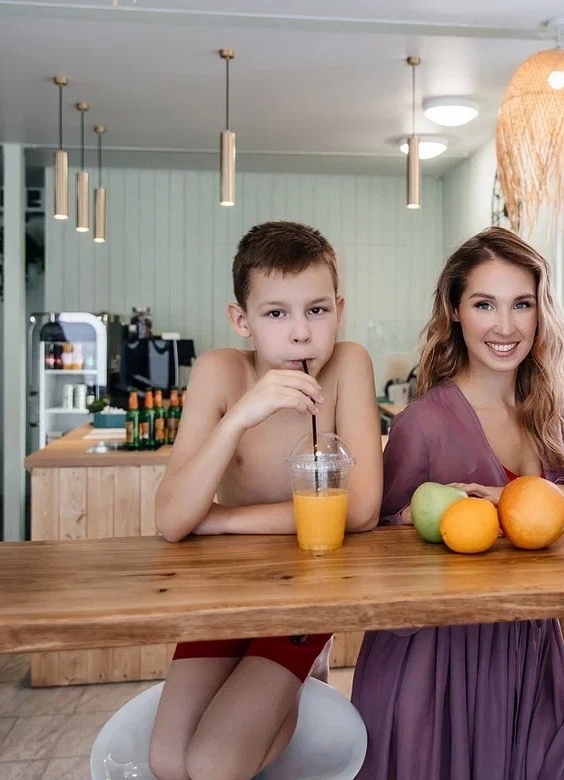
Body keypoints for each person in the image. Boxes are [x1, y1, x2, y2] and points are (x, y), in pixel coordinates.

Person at [350, 227, 564, 779]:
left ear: (541, 313)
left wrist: (534, 495)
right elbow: (372, 544)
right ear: (454, 311)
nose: (505, 326)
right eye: (484, 304)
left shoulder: (556, 412)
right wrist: (421, 521)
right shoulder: (422, 424)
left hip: (533, 657)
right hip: (434, 668)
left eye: (522, 304)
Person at [147, 221, 383, 780]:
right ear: (242, 320)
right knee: (166, 760)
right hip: (227, 590)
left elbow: (360, 510)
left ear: (338, 310)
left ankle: (297, 678)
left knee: (212, 763)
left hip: (307, 587)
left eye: (316, 310)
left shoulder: (349, 364)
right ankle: (290, 693)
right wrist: (240, 417)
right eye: (276, 313)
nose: (300, 333)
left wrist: (223, 521)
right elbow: (172, 520)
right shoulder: (219, 371)